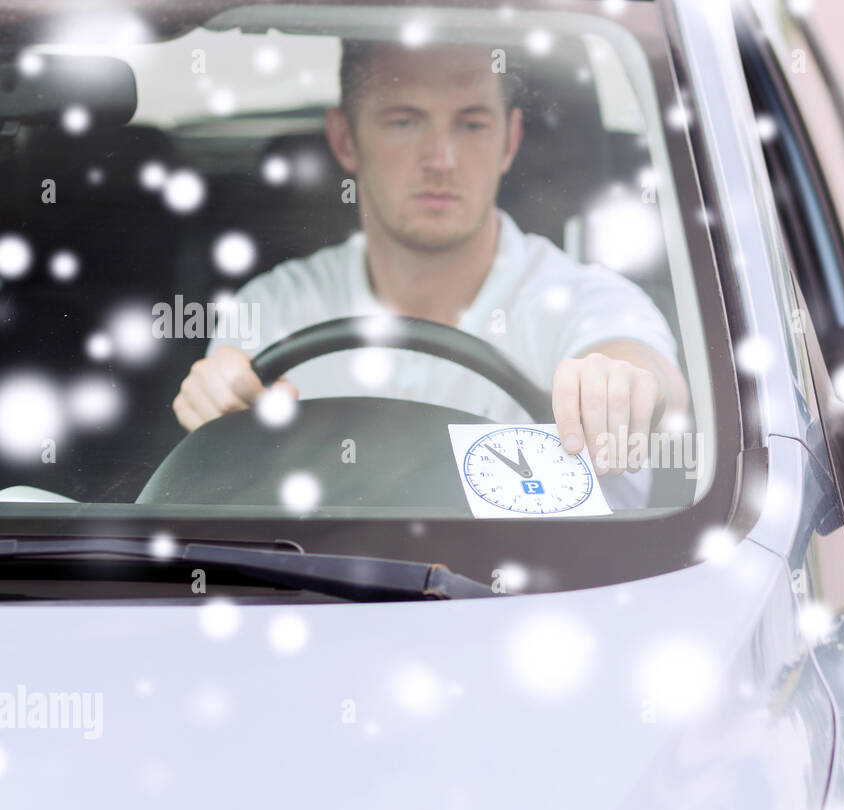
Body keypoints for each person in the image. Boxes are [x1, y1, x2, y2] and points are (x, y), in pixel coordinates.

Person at [171, 39, 687, 500]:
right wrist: (219, 404)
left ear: (509, 142)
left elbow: (639, 364)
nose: (441, 159)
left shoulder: (585, 300)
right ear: (345, 139)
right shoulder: (276, 306)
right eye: (405, 121)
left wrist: (622, 385)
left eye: (471, 124)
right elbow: (231, 493)